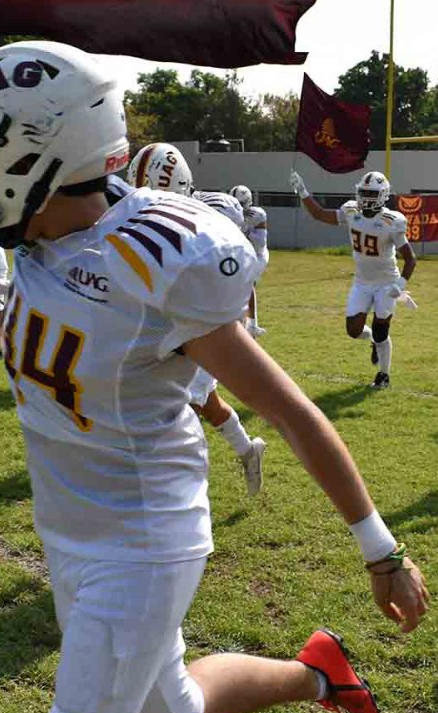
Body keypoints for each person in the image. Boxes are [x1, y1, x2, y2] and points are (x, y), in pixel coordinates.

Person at [0, 16, 429, 713]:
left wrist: (380, 547)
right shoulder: (40, 226)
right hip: (69, 527)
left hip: (140, 543)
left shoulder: (150, 260)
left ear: (33, 160)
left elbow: (290, 410)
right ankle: (317, 675)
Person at [124, 143, 266, 496]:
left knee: (182, 401)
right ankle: (248, 451)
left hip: (208, 321)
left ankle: (172, 481)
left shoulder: (217, 212)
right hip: (170, 320)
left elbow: (242, 274)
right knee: (205, 403)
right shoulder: (142, 211)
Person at [292, 169, 415, 388]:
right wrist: (302, 192)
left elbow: (410, 259)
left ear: (383, 195)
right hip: (361, 282)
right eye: (364, 193)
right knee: (353, 330)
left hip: (386, 282)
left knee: (380, 330)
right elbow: (320, 214)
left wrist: (400, 285)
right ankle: (374, 344)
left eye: (372, 194)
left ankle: (383, 375)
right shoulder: (350, 211)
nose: (366, 198)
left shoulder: (391, 220)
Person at [230, 184, 269, 337]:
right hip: (241, 253)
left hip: (257, 255)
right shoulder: (229, 213)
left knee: (247, 282)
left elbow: (259, 244)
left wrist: (242, 235)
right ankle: (246, 323)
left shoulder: (257, 215)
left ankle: (251, 325)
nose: (237, 208)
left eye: (240, 204)